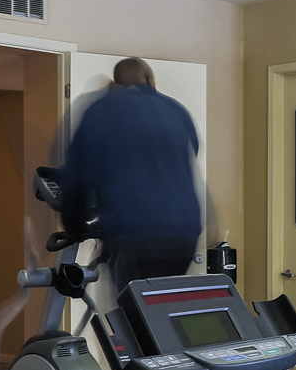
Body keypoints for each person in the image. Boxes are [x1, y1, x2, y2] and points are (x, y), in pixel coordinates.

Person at [59, 57, 202, 292]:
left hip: (132, 234)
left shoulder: (99, 110)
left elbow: (76, 177)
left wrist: (74, 226)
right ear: (150, 80)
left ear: (116, 83)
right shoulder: (176, 109)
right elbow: (190, 155)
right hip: (183, 235)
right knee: (164, 307)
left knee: (135, 310)